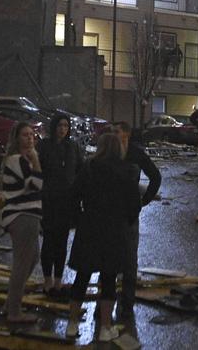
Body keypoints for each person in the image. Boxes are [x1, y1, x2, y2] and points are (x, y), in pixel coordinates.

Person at [66, 133, 141, 343]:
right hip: (114, 229)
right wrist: (126, 220)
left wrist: (79, 217)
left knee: (82, 276)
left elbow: (73, 194)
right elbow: (134, 204)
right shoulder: (128, 171)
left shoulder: (89, 168)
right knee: (108, 279)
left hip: (89, 226)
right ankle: (105, 328)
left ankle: (72, 324)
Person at [111, 121, 162, 318]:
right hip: (108, 211)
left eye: (119, 132)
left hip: (129, 213)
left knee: (129, 258)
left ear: (128, 134)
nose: (116, 135)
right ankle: (106, 300)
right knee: (109, 257)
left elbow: (155, 177)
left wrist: (144, 201)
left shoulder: (135, 153)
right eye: (114, 132)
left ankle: (127, 301)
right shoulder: (108, 151)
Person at [0, 122, 43, 324]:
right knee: (22, 264)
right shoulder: (18, 160)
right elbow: (37, 184)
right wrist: (36, 161)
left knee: (32, 259)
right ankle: (14, 312)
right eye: (25, 135)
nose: (30, 138)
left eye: (32, 135)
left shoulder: (20, 160)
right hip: (22, 215)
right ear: (17, 138)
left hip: (29, 215)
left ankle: (11, 303)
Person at [37, 113, 83, 296]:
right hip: (49, 200)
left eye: (66, 126)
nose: (63, 129)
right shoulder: (45, 147)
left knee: (62, 242)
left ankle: (58, 280)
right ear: (54, 127)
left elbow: (80, 169)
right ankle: (47, 279)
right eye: (60, 125)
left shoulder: (72, 147)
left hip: (67, 201)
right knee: (49, 240)